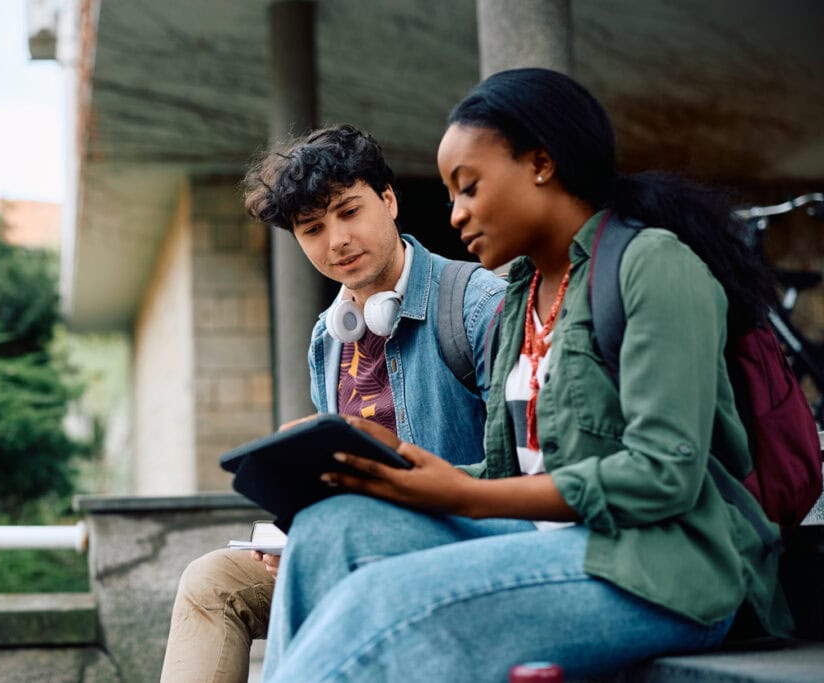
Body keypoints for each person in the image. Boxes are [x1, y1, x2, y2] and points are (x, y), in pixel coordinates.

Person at [261, 68, 793, 682]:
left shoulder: (652, 266)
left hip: (661, 566)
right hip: (546, 538)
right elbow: (511, 474)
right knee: (330, 530)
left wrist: (465, 495)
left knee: (380, 599)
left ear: (541, 163)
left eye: (469, 188)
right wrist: (394, 464)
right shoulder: (523, 293)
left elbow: (663, 475)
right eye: (451, 194)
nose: (455, 214)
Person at [159, 124, 507, 683]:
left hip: (452, 543)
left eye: (349, 212)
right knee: (211, 582)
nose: (336, 240)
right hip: (354, 547)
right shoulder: (328, 337)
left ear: (389, 200)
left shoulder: (476, 304)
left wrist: (378, 514)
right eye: (312, 228)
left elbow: (522, 470)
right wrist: (302, 525)